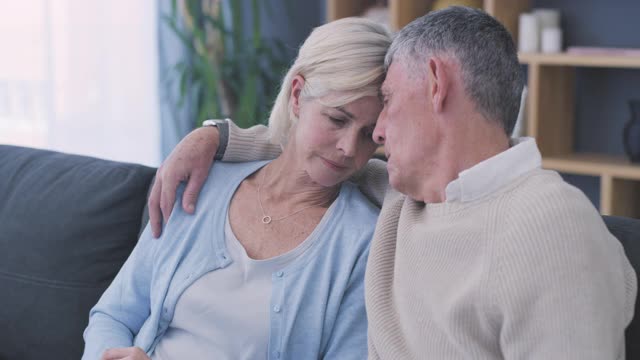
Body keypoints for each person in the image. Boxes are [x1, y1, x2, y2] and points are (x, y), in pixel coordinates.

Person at [150, 6, 637, 359]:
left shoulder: (554, 231)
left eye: (388, 99)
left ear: (435, 83)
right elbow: (307, 151)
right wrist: (215, 136)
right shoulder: (405, 194)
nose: (375, 135)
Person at [82, 17, 391, 360]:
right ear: (298, 96)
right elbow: (112, 316)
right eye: (337, 119)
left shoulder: (364, 243)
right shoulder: (203, 184)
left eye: (369, 134)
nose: (349, 148)